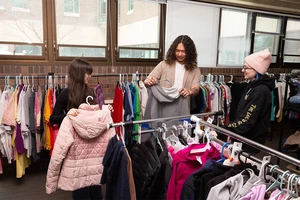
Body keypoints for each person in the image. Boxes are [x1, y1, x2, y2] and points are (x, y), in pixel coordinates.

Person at [49, 58, 111, 200]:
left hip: (93, 143)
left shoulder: (91, 91)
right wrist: (67, 115)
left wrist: (106, 111)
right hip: (76, 145)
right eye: (86, 73)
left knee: (95, 183)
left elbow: (96, 115)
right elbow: (53, 118)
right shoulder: (66, 93)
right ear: (78, 73)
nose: (89, 76)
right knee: (79, 185)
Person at [225, 49, 275, 154]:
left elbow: (247, 120)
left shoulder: (260, 91)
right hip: (243, 137)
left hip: (250, 141)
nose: (243, 70)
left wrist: (226, 129)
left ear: (256, 69)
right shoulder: (252, 85)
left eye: (246, 67)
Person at [144, 35, 201, 115]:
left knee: (180, 127)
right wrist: (148, 81)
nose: (180, 54)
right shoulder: (164, 64)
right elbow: (148, 80)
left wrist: (189, 91)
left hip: (181, 108)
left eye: (183, 51)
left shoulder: (195, 70)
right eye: (177, 51)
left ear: (189, 52)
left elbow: (196, 88)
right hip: (162, 107)